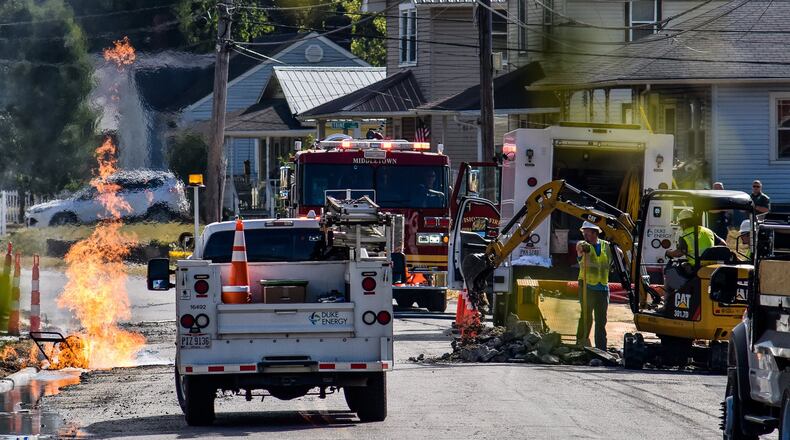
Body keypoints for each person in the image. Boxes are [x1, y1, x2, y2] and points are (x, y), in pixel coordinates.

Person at [575, 221, 615, 350]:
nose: (585, 235)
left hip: (603, 287)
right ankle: (581, 342)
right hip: (587, 287)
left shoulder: (606, 246)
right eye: (584, 233)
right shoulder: (583, 245)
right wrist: (583, 247)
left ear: (595, 233)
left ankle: (601, 347)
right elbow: (580, 247)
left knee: (601, 320)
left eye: (587, 233)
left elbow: (619, 253)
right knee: (586, 317)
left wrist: (614, 261)